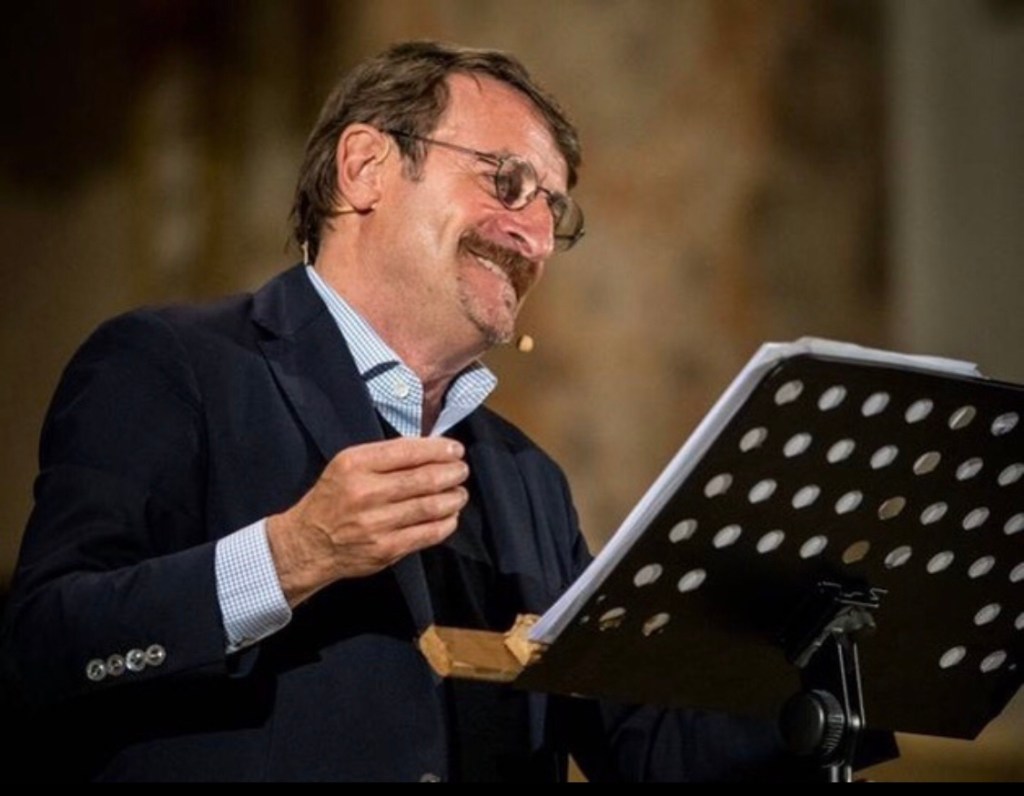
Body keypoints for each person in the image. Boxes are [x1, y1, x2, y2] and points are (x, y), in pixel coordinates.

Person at [0, 40, 876, 782]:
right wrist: (291, 555)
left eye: (555, 211)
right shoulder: (173, 365)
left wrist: (821, 668)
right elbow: (41, 647)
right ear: (366, 168)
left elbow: (640, 745)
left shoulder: (527, 479)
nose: (536, 237)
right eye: (507, 181)